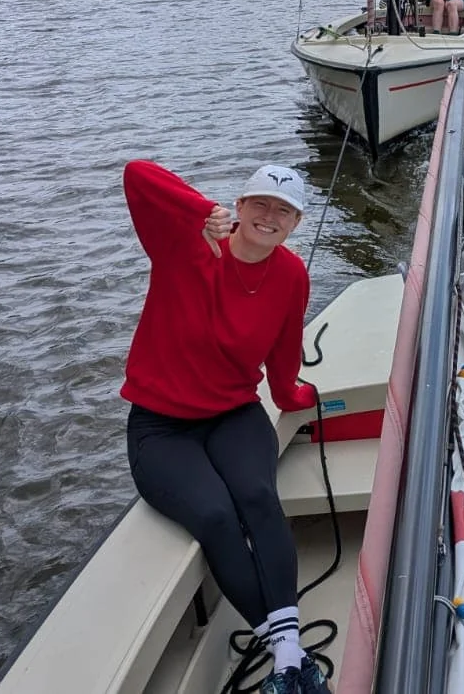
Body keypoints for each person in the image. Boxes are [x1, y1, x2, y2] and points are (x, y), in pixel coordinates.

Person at [120, 160, 330, 694]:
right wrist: (199, 211)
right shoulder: (186, 247)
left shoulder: (290, 273)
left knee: (258, 496)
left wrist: (296, 398)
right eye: (258, 204)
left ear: (296, 223)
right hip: (161, 426)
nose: (268, 216)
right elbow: (137, 175)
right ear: (237, 208)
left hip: (234, 412)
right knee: (215, 514)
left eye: (283, 210)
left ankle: (286, 661)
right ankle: (293, 655)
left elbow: (284, 355)